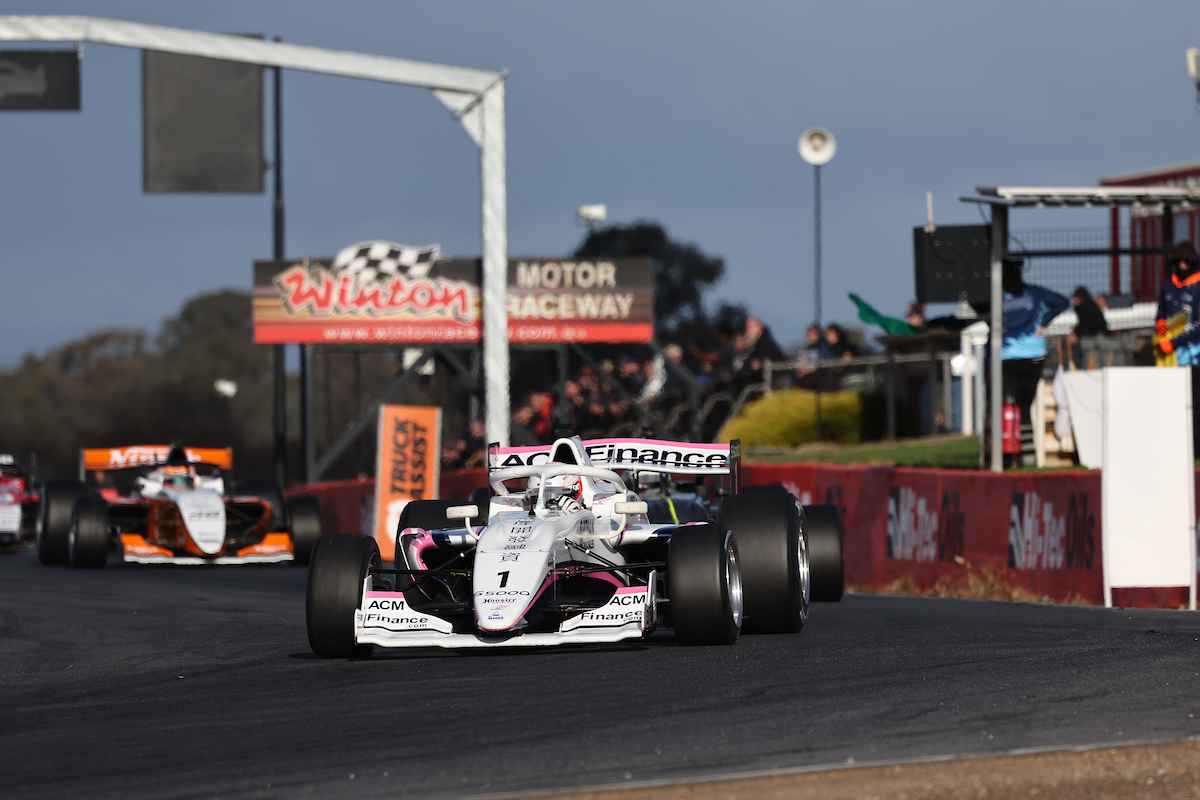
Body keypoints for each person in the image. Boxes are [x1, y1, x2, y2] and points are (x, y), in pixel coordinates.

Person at [1000, 257, 1070, 449]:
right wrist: (1043, 322)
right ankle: (1027, 447)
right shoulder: (1035, 293)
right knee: (1025, 404)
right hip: (1033, 357)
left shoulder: (997, 297)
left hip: (1007, 358)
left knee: (1006, 403)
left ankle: (1007, 450)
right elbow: (1063, 302)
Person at [1155, 240, 1200, 366]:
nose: (1182, 264)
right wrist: (1160, 322)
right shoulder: (1168, 285)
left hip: (1196, 354)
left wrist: (1174, 343)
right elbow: (1161, 310)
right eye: (1177, 261)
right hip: (1173, 354)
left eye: (1186, 261)